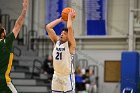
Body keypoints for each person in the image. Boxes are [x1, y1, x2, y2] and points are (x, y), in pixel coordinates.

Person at [0, 0, 28, 93]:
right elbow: (18, 25)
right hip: (3, 81)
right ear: (3, 34)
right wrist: (24, 10)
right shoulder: (6, 41)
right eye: (5, 30)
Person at [45, 9, 76, 93]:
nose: (62, 34)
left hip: (67, 76)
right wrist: (60, 19)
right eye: (61, 33)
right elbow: (48, 27)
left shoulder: (71, 45)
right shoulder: (56, 42)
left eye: (65, 34)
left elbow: (69, 27)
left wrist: (69, 17)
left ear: (68, 36)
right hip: (57, 75)